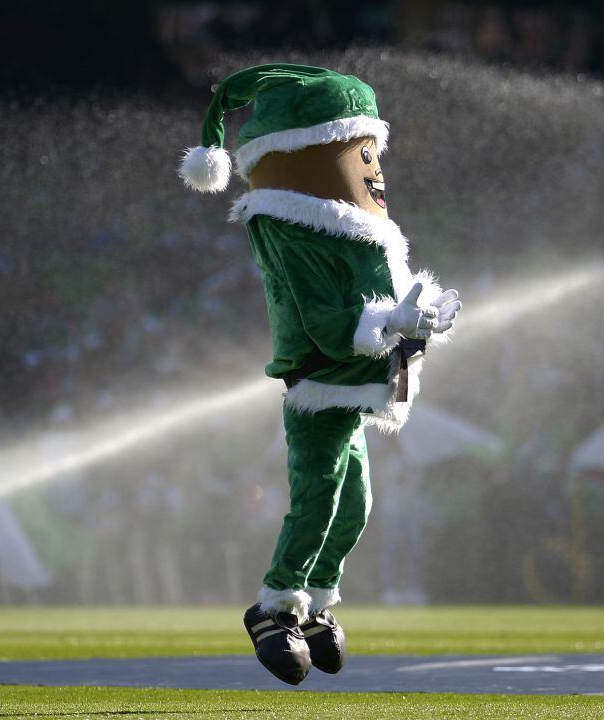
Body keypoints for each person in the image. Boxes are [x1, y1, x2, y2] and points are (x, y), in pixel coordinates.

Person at [179, 64, 461, 685]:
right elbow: (327, 325)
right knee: (318, 497)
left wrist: (418, 319)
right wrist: (392, 321)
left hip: (352, 382)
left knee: (355, 504)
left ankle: (315, 604)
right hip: (317, 384)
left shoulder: (356, 235)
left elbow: (375, 310)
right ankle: (274, 606)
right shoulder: (290, 230)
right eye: (357, 150)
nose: (370, 167)